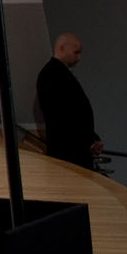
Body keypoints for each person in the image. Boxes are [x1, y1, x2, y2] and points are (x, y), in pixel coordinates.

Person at [36, 33, 102, 169]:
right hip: (68, 153)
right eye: (75, 52)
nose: (79, 58)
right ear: (62, 48)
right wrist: (88, 140)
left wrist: (92, 138)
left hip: (75, 150)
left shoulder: (58, 73)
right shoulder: (51, 75)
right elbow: (64, 115)